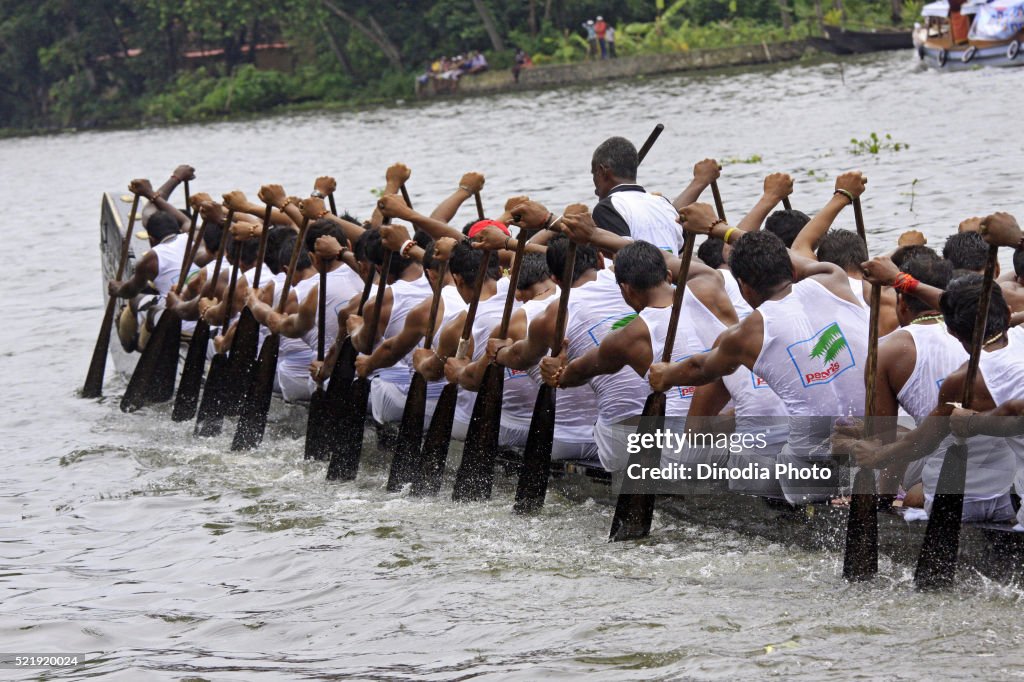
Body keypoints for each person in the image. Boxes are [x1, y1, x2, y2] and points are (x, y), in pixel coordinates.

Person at [648, 200, 869, 504]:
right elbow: (789, 254)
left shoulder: (745, 334)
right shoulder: (833, 278)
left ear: (744, 288)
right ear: (792, 269)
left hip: (810, 475)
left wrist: (666, 375)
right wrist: (719, 228)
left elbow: (700, 369)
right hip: (875, 449)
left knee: (735, 456)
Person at [854, 253, 1015, 520]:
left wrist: (881, 498)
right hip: (1011, 497)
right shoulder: (1018, 338)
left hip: (955, 501)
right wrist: (901, 281)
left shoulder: (956, 381)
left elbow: (919, 442)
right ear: (1009, 314)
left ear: (951, 329)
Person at [590, 136, 684, 253]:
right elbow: (679, 249)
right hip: (672, 270)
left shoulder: (606, 208)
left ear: (602, 171)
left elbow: (621, 259)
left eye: (594, 173)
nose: (595, 188)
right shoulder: (663, 203)